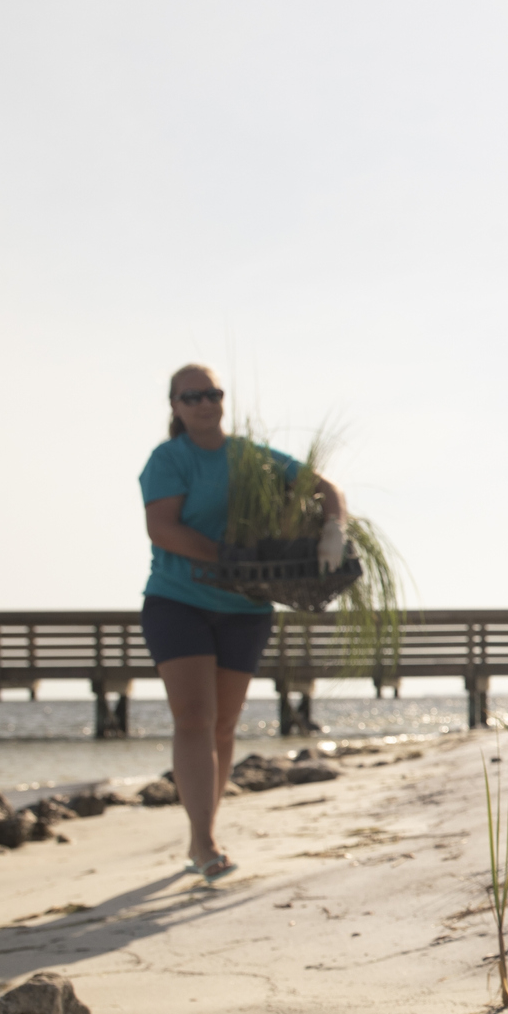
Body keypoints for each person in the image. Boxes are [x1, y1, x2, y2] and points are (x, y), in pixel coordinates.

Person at [139, 364, 348, 880]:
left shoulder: (251, 457)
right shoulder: (169, 460)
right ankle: (204, 841)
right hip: (179, 600)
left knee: (225, 725)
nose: (204, 403)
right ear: (175, 406)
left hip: (245, 609)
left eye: (212, 393)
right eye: (192, 397)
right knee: (193, 717)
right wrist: (226, 558)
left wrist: (333, 530)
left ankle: (201, 834)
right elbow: (162, 530)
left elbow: (325, 489)